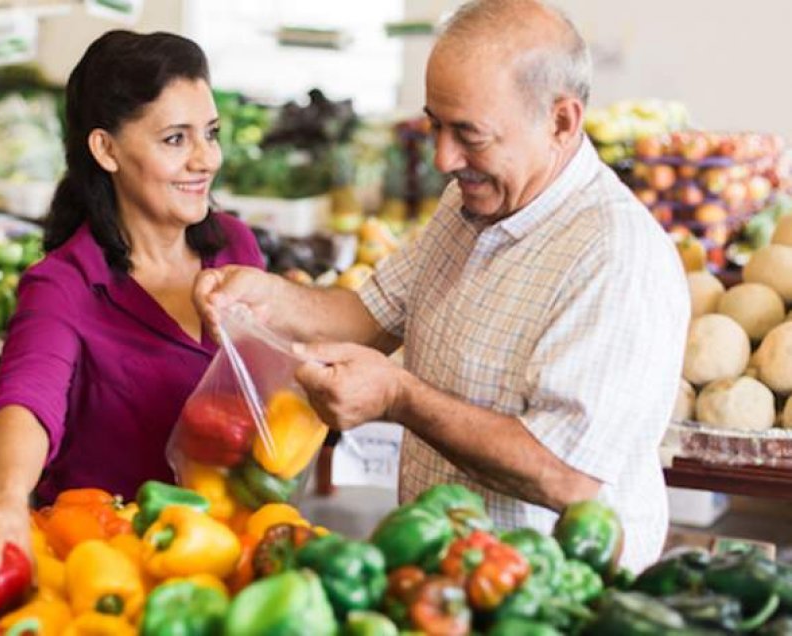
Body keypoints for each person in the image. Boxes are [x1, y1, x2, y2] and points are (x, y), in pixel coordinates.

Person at [196, 0, 689, 571]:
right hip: (445, 579)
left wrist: (400, 398)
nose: (443, 157)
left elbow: (567, 475)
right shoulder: (471, 201)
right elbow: (371, 314)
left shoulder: (615, 259)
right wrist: (271, 297)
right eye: (436, 124)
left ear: (561, 122)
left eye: (469, 135)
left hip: (544, 600)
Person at [0, 30, 264, 571]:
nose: (206, 159)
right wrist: (2, 498)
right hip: (113, 566)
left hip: (233, 552)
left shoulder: (235, 246)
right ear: (106, 149)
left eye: (210, 133)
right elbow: (26, 397)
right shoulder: (65, 283)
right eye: (175, 140)